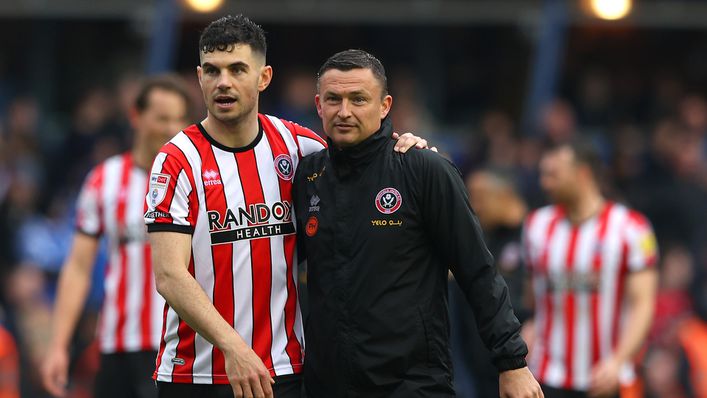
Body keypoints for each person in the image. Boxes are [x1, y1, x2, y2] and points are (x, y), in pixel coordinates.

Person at [143, 15, 425, 398]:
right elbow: (169, 275)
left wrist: (408, 150)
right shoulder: (177, 159)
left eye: (237, 69)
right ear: (199, 77)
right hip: (197, 375)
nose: (223, 82)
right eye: (212, 70)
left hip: (282, 371)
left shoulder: (299, 146)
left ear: (264, 77)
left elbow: (370, 164)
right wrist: (234, 348)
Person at [292, 49, 542, 398]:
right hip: (327, 385)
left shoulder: (424, 170)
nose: (344, 111)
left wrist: (512, 362)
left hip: (411, 385)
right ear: (319, 105)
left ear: (385, 105)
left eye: (358, 99)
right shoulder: (307, 176)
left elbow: (478, 271)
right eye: (334, 99)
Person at [41, 74, 191, 398]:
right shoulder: (103, 180)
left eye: (179, 119)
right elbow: (78, 268)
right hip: (118, 345)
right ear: (136, 117)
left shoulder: (195, 181)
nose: (171, 128)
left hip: (183, 347)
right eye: (162, 118)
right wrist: (58, 346)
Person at [522, 139, 658, 398]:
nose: (545, 183)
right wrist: (530, 326)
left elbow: (643, 304)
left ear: (582, 174)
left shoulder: (632, 227)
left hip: (607, 376)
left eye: (553, 174)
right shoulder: (536, 226)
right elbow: (533, 295)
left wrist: (618, 360)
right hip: (548, 374)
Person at [449, 168, 532, 397]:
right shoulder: (482, 237)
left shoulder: (536, 234)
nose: (475, 206)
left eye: (481, 197)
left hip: (524, 360)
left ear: (505, 194)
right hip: (479, 363)